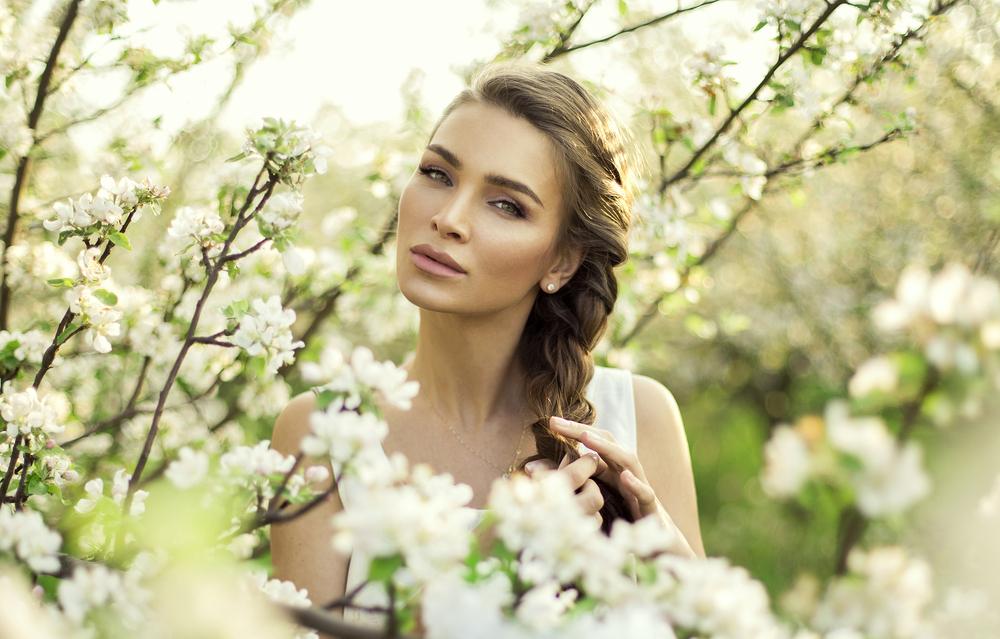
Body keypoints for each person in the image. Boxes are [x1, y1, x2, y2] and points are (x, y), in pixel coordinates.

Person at [269, 62, 705, 629]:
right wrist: (481, 571)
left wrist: (666, 551)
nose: (447, 218)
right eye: (437, 174)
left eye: (506, 205)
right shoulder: (323, 431)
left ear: (562, 260)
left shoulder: (639, 419)